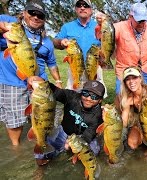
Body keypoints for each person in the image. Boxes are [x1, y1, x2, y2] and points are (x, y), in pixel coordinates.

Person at [0, 0, 62, 146]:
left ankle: (41, 146)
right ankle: (16, 147)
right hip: (12, 82)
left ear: (44, 19)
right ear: (24, 13)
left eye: (40, 15)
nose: (36, 17)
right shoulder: (12, 25)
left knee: (42, 119)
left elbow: (52, 64)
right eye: (32, 13)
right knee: (15, 121)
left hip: (39, 85)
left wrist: (58, 81)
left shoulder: (46, 41)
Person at [28, 76, 105, 166]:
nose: (88, 98)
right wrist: (42, 82)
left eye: (94, 96)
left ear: (100, 100)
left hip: (82, 136)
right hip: (64, 131)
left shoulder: (99, 115)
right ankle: (40, 170)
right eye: (85, 93)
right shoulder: (71, 96)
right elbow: (56, 91)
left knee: (93, 152)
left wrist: (73, 144)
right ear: (81, 93)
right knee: (41, 151)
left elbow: (89, 135)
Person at [53, 0, 107, 98]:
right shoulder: (67, 27)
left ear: (91, 10)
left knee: (95, 95)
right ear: (75, 9)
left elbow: (108, 44)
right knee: (73, 97)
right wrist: (61, 42)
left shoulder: (100, 26)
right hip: (75, 67)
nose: (82, 8)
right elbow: (55, 41)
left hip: (95, 67)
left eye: (85, 5)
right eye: (79, 5)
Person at [114, 66, 147, 150]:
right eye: (128, 79)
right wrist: (126, 107)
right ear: (124, 82)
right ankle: (142, 141)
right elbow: (123, 124)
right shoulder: (122, 96)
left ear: (140, 79)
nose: (131, 82)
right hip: (137, 123)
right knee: (132, 144)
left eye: (134, 78)